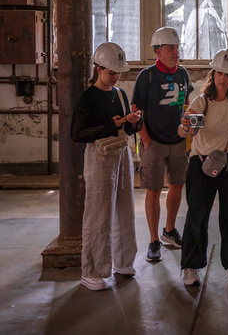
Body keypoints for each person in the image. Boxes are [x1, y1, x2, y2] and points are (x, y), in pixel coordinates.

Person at [71, 42, 143, 291]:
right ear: (98, 68)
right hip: (100, 156)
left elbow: (128, 128)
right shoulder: (88, 97)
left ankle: (124, 261)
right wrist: (110, 126)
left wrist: (134, 122)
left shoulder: (120, 94)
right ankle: (92, 270)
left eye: (118, 72)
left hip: (121, 152)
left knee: (125, 209)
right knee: (99, 212)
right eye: (111, 72)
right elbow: (77, 133)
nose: (116, 76)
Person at [179, 48, 228, 287]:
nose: (223, 78)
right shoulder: (201, 102)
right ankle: (190, 267)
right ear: (213, 74)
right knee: (197, 216)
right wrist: (185, 127)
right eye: (219, 73)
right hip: (201, 162)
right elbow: (183, 130)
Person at [131, 26, 194, 263]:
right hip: (153, 142)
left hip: (178, 142)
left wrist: (188, 131)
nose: (176, 52)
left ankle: (169, 231)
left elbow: (187, 103)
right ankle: (153, 240)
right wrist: (145, 139)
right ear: (158, 51)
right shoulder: (146, 76)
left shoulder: (183, 74)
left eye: (177, 47)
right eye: (171, 48)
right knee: (153, 191)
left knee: (177, 186)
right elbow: (136, 109)